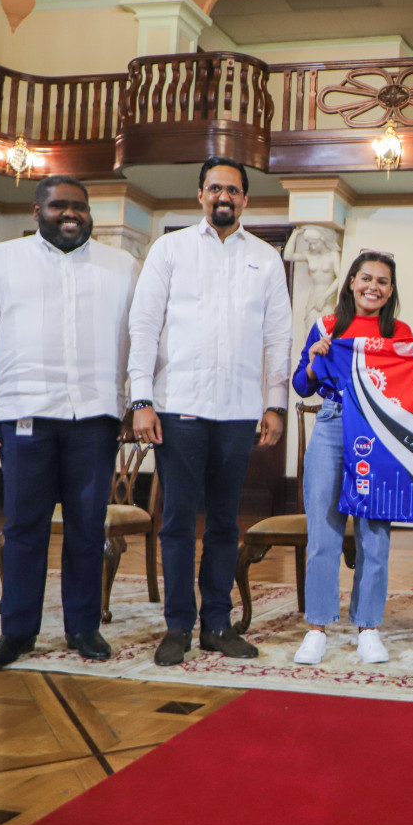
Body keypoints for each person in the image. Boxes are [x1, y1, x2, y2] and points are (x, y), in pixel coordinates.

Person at [0, 175, 139, 670]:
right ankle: (17, 632)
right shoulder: (0, 261)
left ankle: (83, 627)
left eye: (79, 206)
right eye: (59, 205)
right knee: (24, 527)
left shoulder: (122, 266)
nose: (70, 213)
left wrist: (137, 400)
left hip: (95, 419)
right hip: (25, 417)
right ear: (37, 212)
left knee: (87, 528)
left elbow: (141, 338)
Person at [129, 156, 294, 667]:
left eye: (233, 190)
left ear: (245, 199)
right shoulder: (170, 249)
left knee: (225, 522)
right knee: (177, 521)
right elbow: (144, 324)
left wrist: (275, 403)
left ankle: (217, 624)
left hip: (239, 411)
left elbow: (278, 337)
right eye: (215, 188)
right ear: (201, 194)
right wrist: (141, 399)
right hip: (178, 406)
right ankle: (178, 626)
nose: (224, 197)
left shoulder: (266, 258)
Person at [291, 251, 413, 665]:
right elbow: (302, 386)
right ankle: (317, 629)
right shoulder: (326, 326)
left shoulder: (400, 332)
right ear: (351, 283)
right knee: (323, 529)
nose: (372, 287)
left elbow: (412, 381)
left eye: (382, 281)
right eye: (366, 278)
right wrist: (313, 363)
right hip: (331, 423)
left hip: (379, 431)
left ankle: (368, 628)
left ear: (390, 291)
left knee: (374, 532)